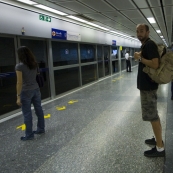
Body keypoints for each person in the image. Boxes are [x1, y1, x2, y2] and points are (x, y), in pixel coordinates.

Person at [134, 24, 165, 157]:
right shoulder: (146, 45)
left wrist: (140, 58)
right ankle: (157, 139)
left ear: (148, 32)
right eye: (137, 31)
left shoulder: (150, 44)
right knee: (153, 115)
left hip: (148, 87)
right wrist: (141, 55)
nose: (139, 33)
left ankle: (160, 148)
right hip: (147, 86)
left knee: (153, 116)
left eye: (141, 31)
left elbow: (155, 63)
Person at [15, 46, 45, 141]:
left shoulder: (19, 66)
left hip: (25, 91)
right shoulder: (34, 64)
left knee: (27, 113)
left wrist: (18, 96)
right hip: (36, 89)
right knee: (39, 109)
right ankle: (41, 129)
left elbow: (19, 82)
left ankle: (29, 135)